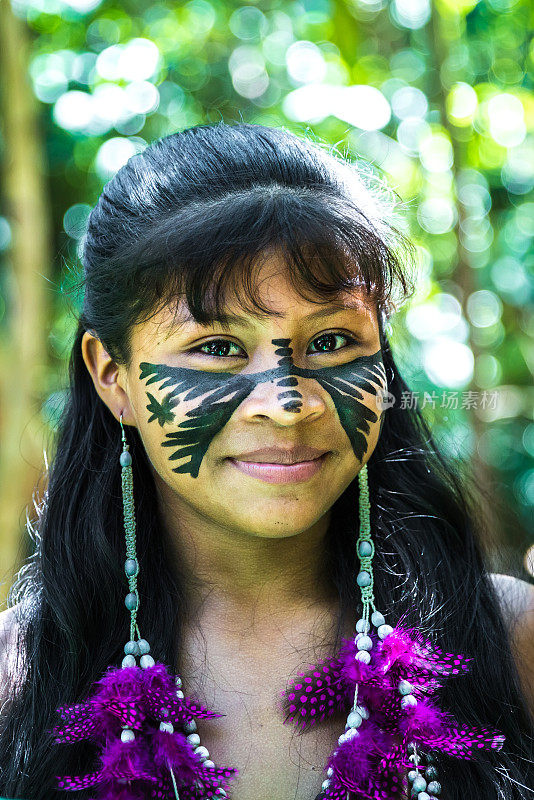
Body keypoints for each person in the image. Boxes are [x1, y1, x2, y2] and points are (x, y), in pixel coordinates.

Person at [0, 122, 533, 800]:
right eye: (217, 348)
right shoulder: (15, 680)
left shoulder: (512, 641)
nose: (286, 404)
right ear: (114, 377)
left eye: (334, 339)